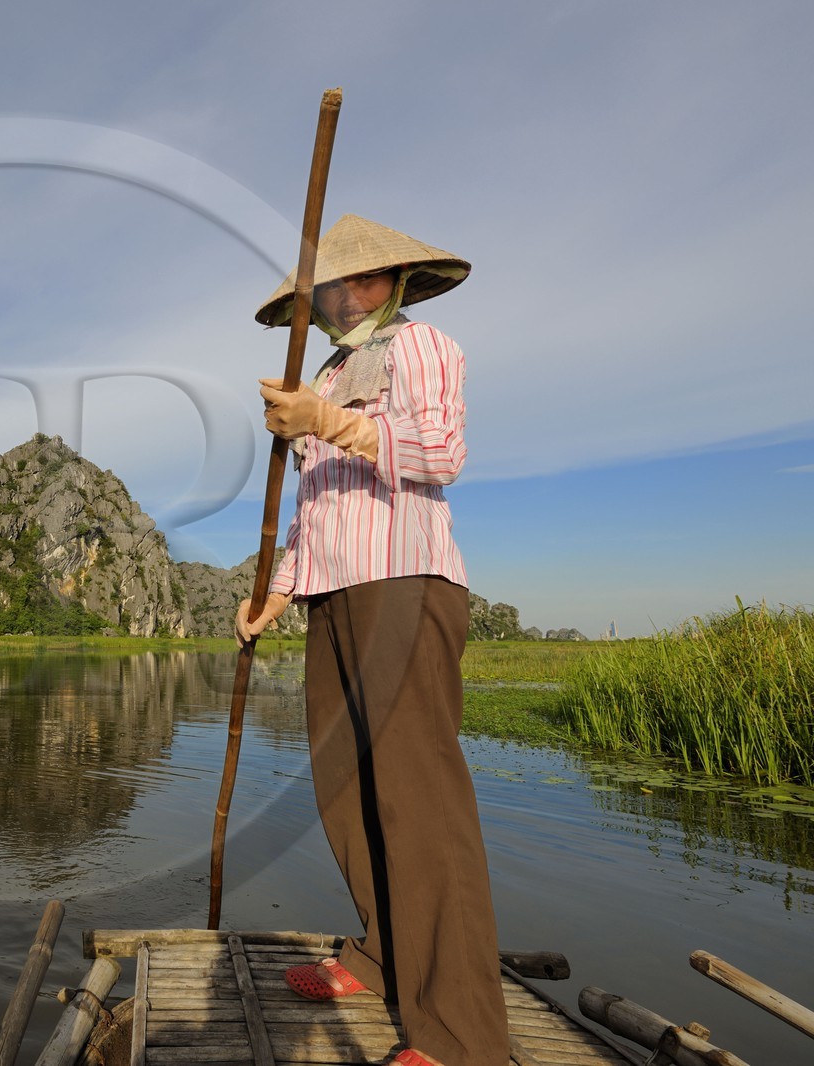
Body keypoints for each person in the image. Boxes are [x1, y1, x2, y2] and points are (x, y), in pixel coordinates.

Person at [235, 214, 509, 1066]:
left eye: (316, 297)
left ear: (365, 283)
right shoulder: (329, 370)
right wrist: (275, 596)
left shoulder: (422, 346)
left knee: (419, 802)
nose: (310, 313)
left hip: (403, 584)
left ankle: (461, 1036)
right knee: (346, 790)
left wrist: (331, 419)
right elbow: (315, 505)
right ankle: (387, 955)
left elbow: (440, 452)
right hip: (333, 595)